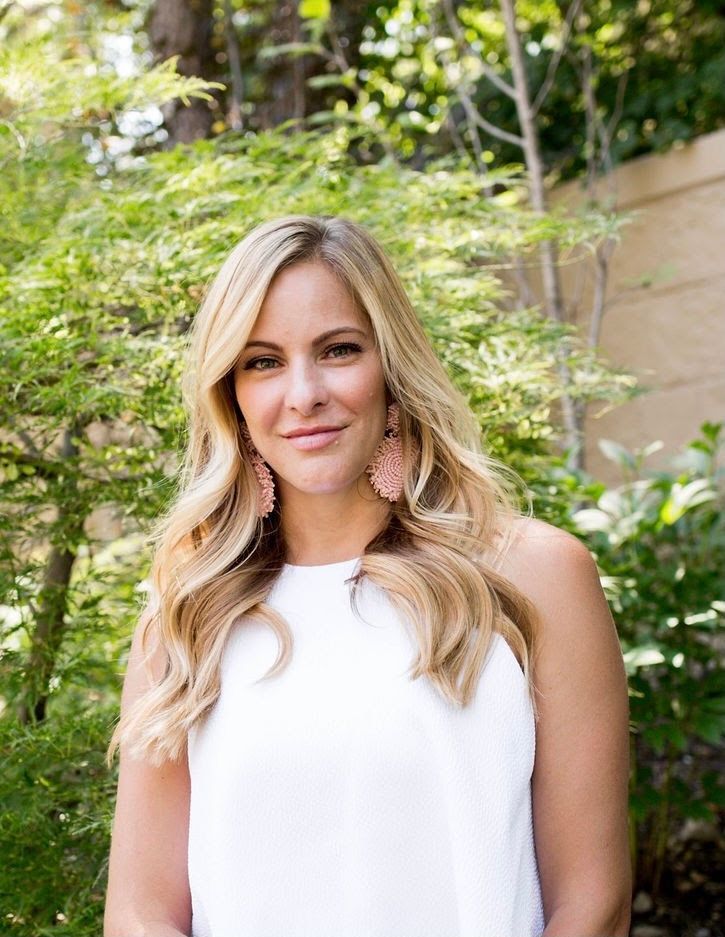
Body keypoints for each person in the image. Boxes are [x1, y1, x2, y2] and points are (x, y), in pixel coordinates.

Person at [104, 214, 631, 937]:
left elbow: (593, 902)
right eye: (262, 362)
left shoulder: (534, 576)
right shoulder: (187, 617)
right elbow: (140, 913)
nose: (304, 393)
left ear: (392, 367)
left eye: (339, 350)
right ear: (231, 395)